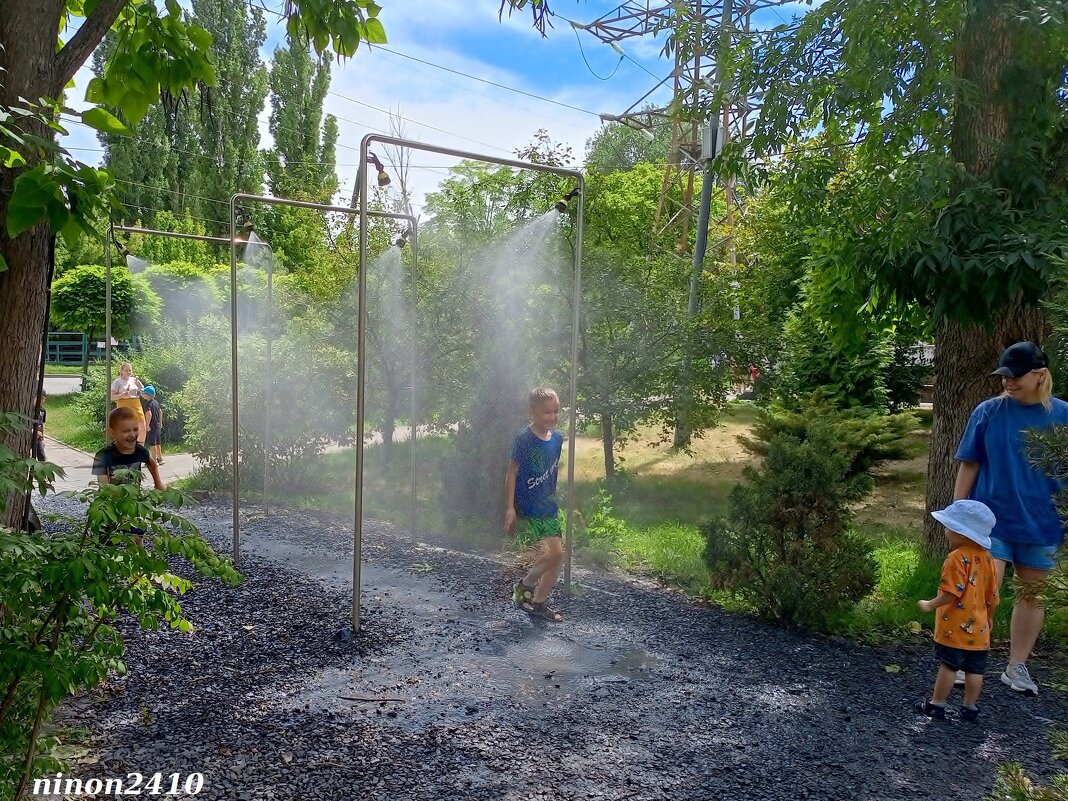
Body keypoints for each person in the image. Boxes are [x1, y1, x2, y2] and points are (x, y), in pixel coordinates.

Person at [953, 341, 1068, 696]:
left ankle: (1016, 667)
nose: (1008, 383)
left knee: (1032, 594)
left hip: (1043, 522)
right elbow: (969, 462)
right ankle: (966, 660)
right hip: (991, 518)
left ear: (1039, 375)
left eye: (1015, 377)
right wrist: (959, 512)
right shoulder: (988, 412)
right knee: (981, 590)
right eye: (1004, 376)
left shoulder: (1063, 415)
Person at [915, 500, 999, 723]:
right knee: (975, 670)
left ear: (961, 534)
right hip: (980, 627)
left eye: (948, 526)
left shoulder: (956, 558)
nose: (945, 530)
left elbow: (952, 592)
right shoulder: (988, 558)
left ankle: (937, 704)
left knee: (949, 666)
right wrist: (989, 617)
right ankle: (970, 708)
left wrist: (930, 604)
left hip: (955, 626)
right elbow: (993, 594)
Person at [505, 387, 565, 623]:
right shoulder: (524, 439)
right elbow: (511, 473)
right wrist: (510, 507)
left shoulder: (558, 439)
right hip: (529, 505)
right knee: (556, 553)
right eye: (546, 413)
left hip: (548, 505)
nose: (552, 417)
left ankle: (539, 602)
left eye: (555, 412)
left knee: (558, 557)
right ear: (532, 412)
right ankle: (524, 586)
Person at [92, 406, 166, 490]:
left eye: (135, 429)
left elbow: (152, 464)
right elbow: (104, 487)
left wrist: (158, 483)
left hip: (136, 499)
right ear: (112, 433)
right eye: (126, 431)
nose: (132, 435)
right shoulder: (102, 456)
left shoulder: (140, 451)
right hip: (113, 500)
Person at [110, 361, 147, 445]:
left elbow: (143, 392)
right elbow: (111, 397)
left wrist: (140, 386)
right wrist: (122, 395)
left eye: (130, 370)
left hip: (136, 403)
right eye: (126, 370)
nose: (128, 372)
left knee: (142, 425)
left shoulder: (134, 380)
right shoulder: (117, 382)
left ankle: (140, 446)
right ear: (122, 371)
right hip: (124, 404)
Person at [141, 386, 164, 465]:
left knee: (152, 443)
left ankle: (153, 461)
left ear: (147, 395)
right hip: (157, 425)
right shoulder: (156, 402)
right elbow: (160, 412)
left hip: (152, 426)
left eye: (143, 393)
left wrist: (147, 425)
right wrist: (160, 423)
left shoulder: (147, 404)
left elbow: (149, 414)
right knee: (158, 443)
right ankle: (160, 459)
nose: (142, 394)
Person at [32, 390, 47, 462]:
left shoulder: (42, 410)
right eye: (39, 398)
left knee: (42, 456)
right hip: (29, 436)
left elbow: (42, 424)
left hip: (38, 438)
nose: (40, 400)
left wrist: (42, 437)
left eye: (43, 399)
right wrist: (33, 431)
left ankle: (38, 472)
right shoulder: (30, 410)